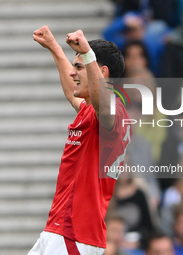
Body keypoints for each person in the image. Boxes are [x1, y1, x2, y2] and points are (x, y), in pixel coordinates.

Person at [29, 26, 131, 255]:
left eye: (79, 67)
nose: (73, 73)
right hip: (59, 230)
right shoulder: (89, 111)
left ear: (101, 71)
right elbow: (70, 91)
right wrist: (54, 48)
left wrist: (88, 53)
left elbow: (103, 104)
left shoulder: (113, 110)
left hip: (75, 233)